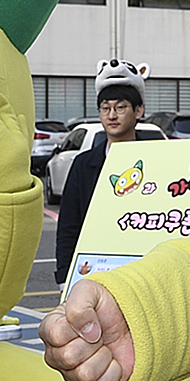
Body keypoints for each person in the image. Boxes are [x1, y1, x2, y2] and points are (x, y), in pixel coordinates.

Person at [52, 60, 149, 286]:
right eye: (105, 108)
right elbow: (69, 225)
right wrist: (65, 277)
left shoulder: (155, 158)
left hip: (142, 271)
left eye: (120, 107)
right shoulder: (84, 164)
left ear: (139, 111)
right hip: (97, 270)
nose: (112, 115)